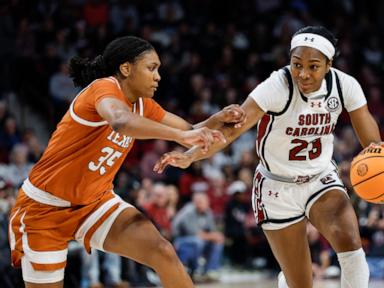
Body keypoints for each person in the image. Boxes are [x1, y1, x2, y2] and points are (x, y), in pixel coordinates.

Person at [8, 35, 246, 288]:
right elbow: (121, 121)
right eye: (151, 68)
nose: (158, 77)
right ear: (126, 68)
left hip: (95, 202)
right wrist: (182, 135)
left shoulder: (144, 105)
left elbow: (190, 129)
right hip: (44, 209)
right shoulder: (103, 88)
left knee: (162, 251)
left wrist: (217, 119)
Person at [154, 26, 383, 288]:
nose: (303, 74)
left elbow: (373, 145)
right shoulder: (277, 85)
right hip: (276, 186)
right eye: (297, 64)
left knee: (350, 244)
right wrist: (190, 157)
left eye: (313, 66)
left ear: (329, 64)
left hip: (320, 178)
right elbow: (230, 133)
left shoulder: (345, 85)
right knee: (299, 282)